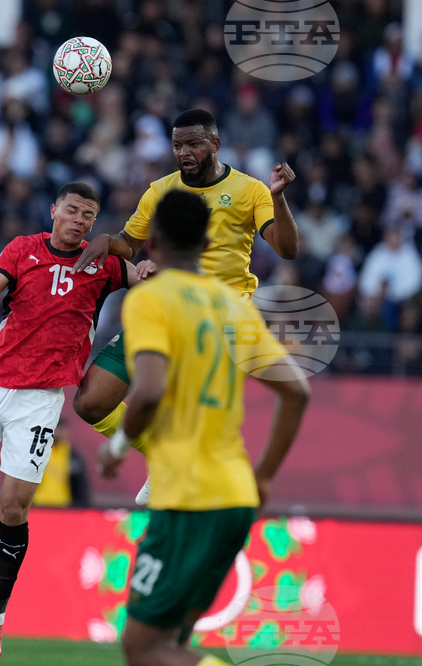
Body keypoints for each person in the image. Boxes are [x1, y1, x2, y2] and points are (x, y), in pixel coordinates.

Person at [0, 182, 155, 666]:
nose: (81, 220)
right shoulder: (23, 250)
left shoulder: (103, 263)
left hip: (40, 401)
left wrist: (145, 272)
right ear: (54, 210)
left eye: (89, 215)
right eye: (74, 210)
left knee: (13, 509)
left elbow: (144, 276)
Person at [97, 190, 310, 665]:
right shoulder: (234, 306)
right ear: (206, 238)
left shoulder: (152, 300)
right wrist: (266, 474)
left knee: (142, 647)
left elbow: (148, 391)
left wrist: (118, 447)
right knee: (174, 643)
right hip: (235, 496)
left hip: (187, 500)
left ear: (152, 240)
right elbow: (297, 392)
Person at [72, 108, 300, 505]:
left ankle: (196, 474)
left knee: (179, 408)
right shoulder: (161, 190)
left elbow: (287, 249)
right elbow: (131, 242)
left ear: (215, 144)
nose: (184, 153)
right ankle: (160, 454)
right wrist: (107, 241)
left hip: (223, 319)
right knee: (91, 401)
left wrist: (278, 199)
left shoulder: (250, 190)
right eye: (178, 145)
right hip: (168, 306)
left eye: (194, 144)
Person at [31, 418, 89, 508]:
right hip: (38, 507)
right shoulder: (36, 453)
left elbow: (81, 487)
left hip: (64, 508)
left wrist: (81, 508)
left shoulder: (73, 456)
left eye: (61, 428)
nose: (57, 431)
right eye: (55, 427)